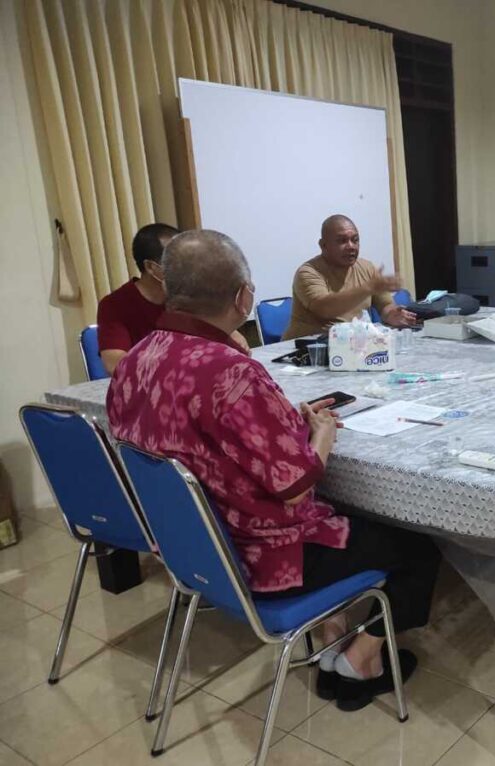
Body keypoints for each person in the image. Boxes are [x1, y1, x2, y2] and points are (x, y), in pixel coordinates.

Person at [107, 230, 440, 710]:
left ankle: (331, 640)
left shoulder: (135, 360)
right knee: (419, 547)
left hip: (192, 549)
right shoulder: (231, 372)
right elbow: (296, 486)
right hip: (263, 554)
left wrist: (283, 419)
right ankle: (359, 663)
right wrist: (323, 433)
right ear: (243, 297)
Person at [96, 222, 249, 374]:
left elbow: (236, 348)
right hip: (155, 382)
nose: (189, 268)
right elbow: (114, 364)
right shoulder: (115, 304)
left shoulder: (192, 293)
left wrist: (229, 331)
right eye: (176, 261)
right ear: (151, 267)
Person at [282, 214, 417, 340]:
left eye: (355, 240)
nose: (351, 246)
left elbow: (385, 305)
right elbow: (325, 308)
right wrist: (367, 288)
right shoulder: (308, 272)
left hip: (351, 344)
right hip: (308, 349)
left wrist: (391, 314)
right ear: (323, 245)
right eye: (342, 241)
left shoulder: (367, 267)